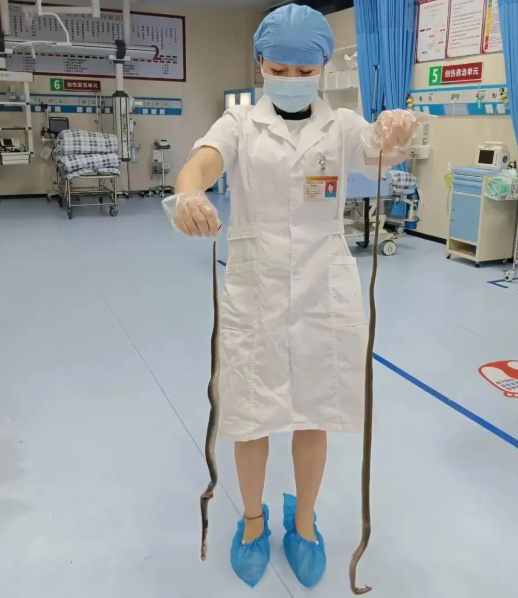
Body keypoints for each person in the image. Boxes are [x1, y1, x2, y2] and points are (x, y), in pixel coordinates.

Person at [170, 3, 424, 589]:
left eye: (303, 71)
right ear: (260, 64)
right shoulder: (239, 123)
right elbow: (200, 164)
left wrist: (399, 132)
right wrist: (187, 194)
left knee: (314, 411)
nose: (290, 80)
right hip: (255, 286)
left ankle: (303, 523)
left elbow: (380, 148)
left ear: (321, 68)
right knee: (250, 414)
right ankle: (252, 522)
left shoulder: (341, 126)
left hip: (322, 287)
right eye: (278, 70)